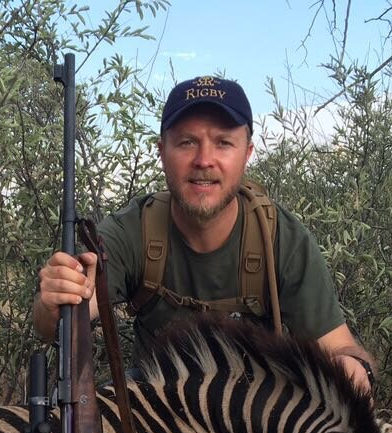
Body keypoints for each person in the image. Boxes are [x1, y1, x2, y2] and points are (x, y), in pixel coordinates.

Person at [32, 75, 374, 394]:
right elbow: (63, 321)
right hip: (158, 411)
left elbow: (338, 346)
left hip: (256, 414)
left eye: (224, 143)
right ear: (162, 151)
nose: (204, 160)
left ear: (247, 154)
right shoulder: (131, 230)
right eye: (187, 142)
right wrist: (55, 301)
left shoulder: (282, 239)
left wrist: (351, 366)